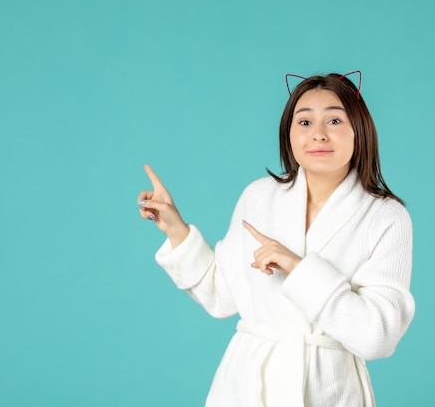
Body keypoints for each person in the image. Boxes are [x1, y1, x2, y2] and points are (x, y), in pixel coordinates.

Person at [137, 72, 415, 407]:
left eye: (334, 119)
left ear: (360, 130)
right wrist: (175, 229)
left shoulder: (386, 216)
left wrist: (299, 269)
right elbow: (222, 296)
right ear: (289, 133)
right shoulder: (259, 197)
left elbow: (378, 337)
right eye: (304, 122)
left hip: (330, 390)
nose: (319, 135)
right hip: (247, 386)